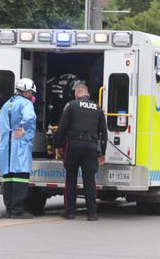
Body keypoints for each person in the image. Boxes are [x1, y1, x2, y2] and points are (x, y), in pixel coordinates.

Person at [55, 83, 107, 221]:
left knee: (71, 178)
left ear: (76, 94)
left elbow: (62, 127)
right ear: (88, 94)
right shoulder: (98, 108)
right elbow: (104, 132)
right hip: (91, 147)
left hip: (74, 145)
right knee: (89, 180)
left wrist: (58, 145)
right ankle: (92, 214)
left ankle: (70, 212)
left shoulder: (71, 106)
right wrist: (103, 153)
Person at [0, 78, 37, 219]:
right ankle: (17, 210)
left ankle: (9, 209)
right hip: (20, 145)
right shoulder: (26, 104)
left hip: (6, 147)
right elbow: (29, 117)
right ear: (26, 91)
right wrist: (23, 129)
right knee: (20, 177)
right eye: (31, 92)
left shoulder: (6, 104)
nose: (32, 95)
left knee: (8, 177)